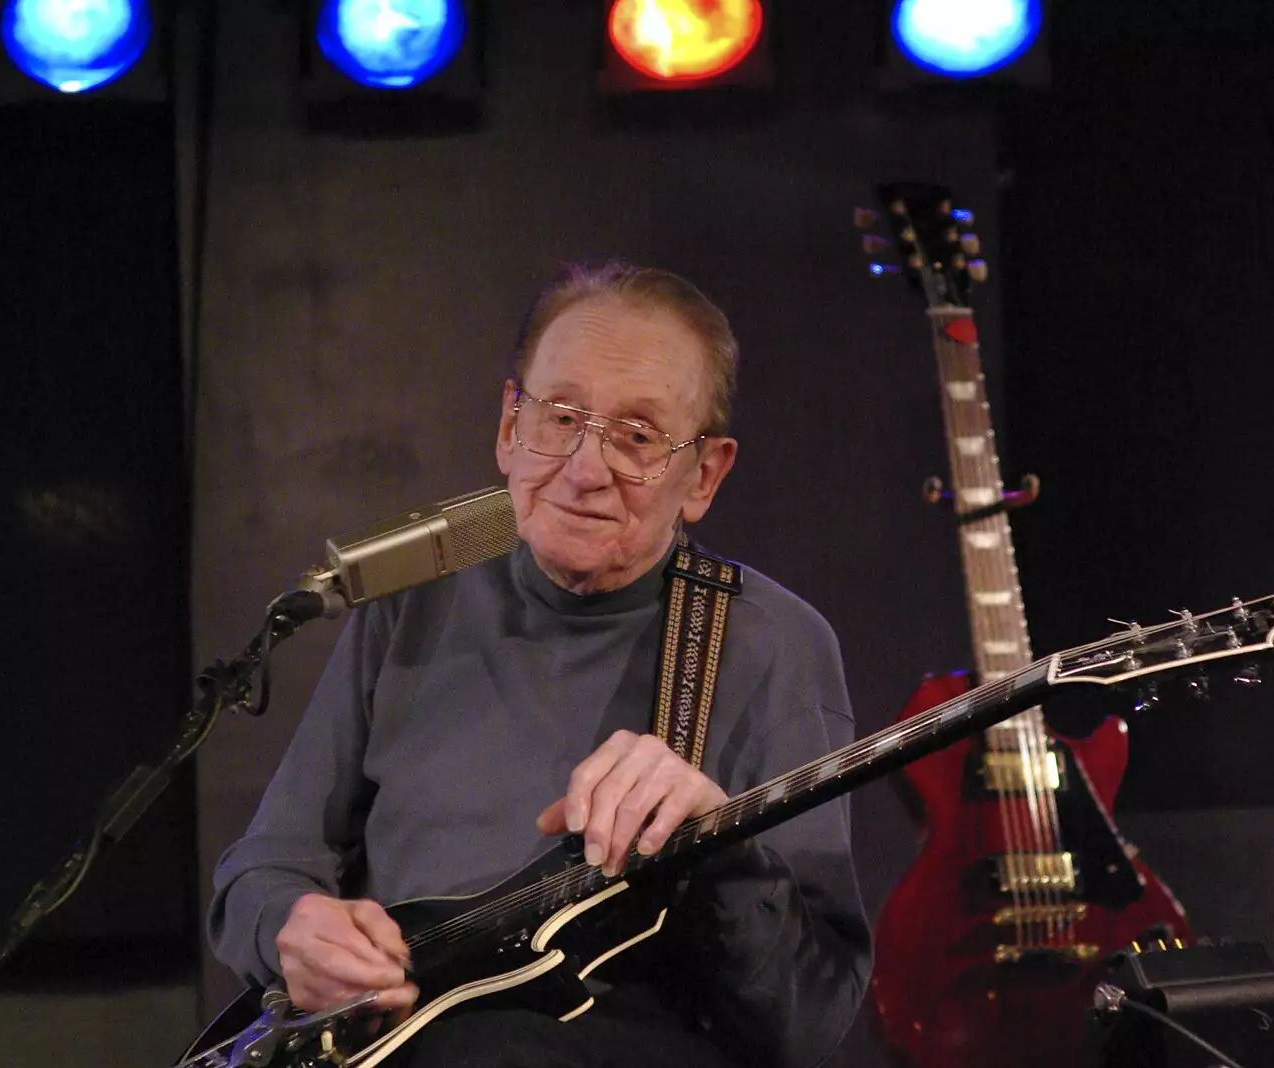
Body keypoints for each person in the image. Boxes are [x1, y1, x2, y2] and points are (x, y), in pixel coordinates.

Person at [207, 263, 870, 1068]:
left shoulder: (771, 645)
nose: (585, 471)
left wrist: (721, 842)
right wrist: (292, 926)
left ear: (703, 476)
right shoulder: (414, 601)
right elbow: (267, 862)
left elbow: (812, 1019)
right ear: (507, 426)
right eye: (560, 418)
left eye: (637, 437)